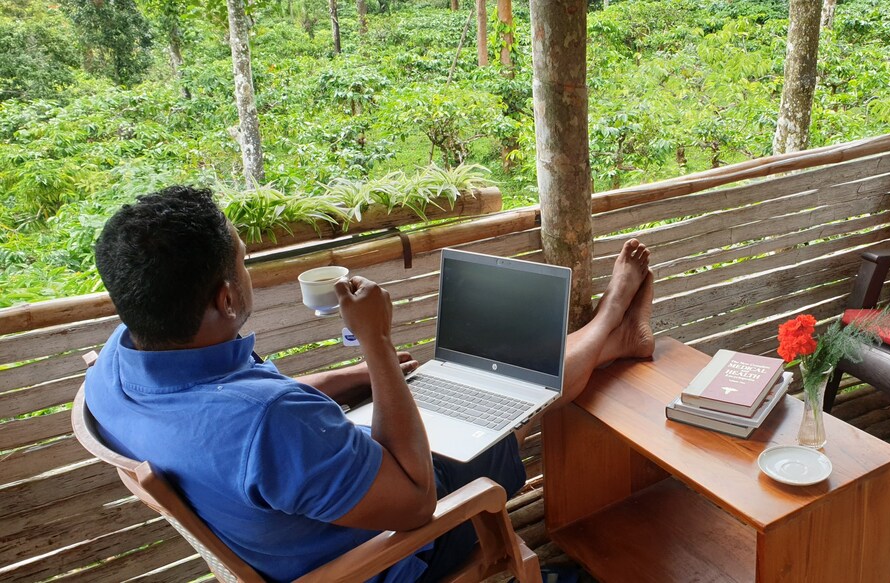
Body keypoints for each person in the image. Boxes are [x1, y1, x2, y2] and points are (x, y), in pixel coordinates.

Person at [84, 185, 655, 583]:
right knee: (511, 413)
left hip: (288, 529)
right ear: (226, 298)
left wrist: (354, 376)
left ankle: (611, 335)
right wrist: (377, 345)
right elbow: (414, 503)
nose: (245, 270)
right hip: (381, 558)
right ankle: (609, 327)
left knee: (492, 393)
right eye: (241, 261)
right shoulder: (271, 423)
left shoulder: (117, 363)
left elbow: (238, 403)